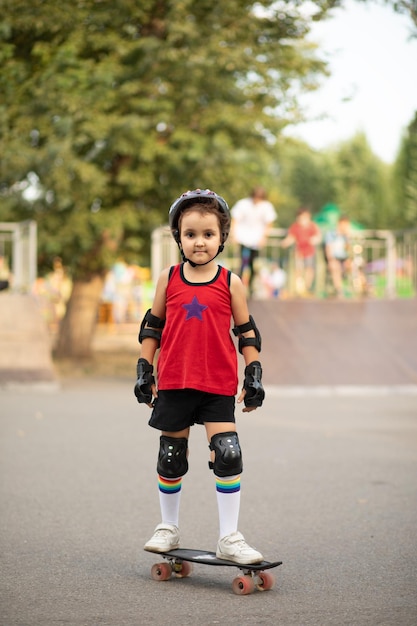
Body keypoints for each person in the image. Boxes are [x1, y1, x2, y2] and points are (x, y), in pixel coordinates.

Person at [135, 189, 265, 564]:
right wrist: (145, 368)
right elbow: (152, 325)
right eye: (190, 234)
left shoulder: (230, 282)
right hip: (174, 379)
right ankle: (168, 528)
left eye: (208, 234)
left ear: (221, 238)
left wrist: (253, 374)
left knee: (227, 454)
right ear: (179, 237)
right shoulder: (169, 277)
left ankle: (229, 536)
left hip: (217, 382)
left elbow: (247, 331)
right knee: (171, 456)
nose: (199, 242)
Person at [231, 187, 277, 296]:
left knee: (252, 263)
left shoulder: (266, 206)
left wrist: (264, 237)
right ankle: (239, 286)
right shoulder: (243, 204)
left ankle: (250, 286)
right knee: (243, 262)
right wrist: (234, 234)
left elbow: (269, 223)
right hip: (243, 237)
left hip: (256, 240)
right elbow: (235, 220)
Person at [281, 207, 321, 295]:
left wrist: (314, 240)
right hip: (299, 252)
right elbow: (291, 237)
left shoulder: (312, 226)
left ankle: (307, 286)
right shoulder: (295, 227)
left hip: (309, 252)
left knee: (309, 269)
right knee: (298, 269)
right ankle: (299, 287)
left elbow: (318, 236)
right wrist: (285, 243)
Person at [324, 215, 351, 297]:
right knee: (335, 267)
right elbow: (328, 248)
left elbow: (348, 250)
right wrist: (331, 260)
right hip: (334, 258)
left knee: (353, 266)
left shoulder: (346, 236)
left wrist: (347, 237)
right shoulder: (331, 234)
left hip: (344, 258)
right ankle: (339, 289)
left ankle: (355, 288)